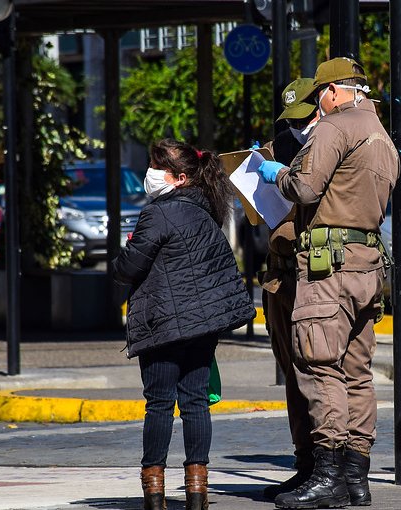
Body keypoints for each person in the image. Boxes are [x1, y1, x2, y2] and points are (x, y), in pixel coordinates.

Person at [257, 58, 398, 508]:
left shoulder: (334, 128)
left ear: (336, 90)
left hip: (328, 269)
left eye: (321, 92)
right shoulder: (383, 137)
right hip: (366, 267)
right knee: (357, 372)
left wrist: (275, 174)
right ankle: (357, 477)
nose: (320, 101)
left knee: (319, 366)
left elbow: (304, 188)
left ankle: (330, 476)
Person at [113, 139, 254, 510]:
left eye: (156, 167)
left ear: (177, 177)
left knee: (158, 404)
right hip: (201, 327)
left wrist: (123, 254)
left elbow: (129, 267)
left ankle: (154, 490)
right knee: (195, 404)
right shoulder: (207, 211)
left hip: (162, 325)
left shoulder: (158, 213)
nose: (150, 174)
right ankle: (196, 490)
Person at [259, 77, 319, 501]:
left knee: (317, 370)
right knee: (292, 374)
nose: (298, 127)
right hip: (280, 273)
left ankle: (330, 460)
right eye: (291, 120)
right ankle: (305, 459)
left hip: (313, 273)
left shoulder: (331, 146)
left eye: (305, 116)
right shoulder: (281, 144)